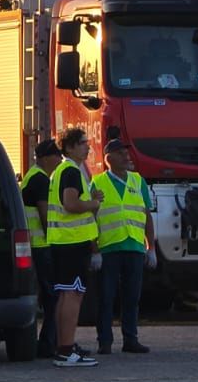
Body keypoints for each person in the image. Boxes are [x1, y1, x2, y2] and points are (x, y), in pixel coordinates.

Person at [47, 126, 105, 367]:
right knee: (73, 295)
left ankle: (64, 347)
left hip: (65, 242)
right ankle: (66, 349)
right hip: (71, 242)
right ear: (69, 147)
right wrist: (93, 203)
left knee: (66, 293)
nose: (87, 146)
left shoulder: (67, 171)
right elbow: (70, 203)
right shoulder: (70, 171)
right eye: (82, 142)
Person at [92, 139, 153, 355]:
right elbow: (91, 218)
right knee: (106, 297)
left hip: (134, 247)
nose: (127, 156)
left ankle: (130, 339)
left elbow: (146, 215)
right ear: (108, 158)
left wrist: (150, 247)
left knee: (132, 297)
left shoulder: (138, 182)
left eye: (126, 152)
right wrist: (94, 251)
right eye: (120, 153)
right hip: (109, 248)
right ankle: (105, 341)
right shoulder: (97, 183)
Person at [20, 139, 65, 358]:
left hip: (35, 246)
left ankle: (49, 342)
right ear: (47, 157)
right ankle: (49, 344)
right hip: (42, 246)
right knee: (53, 297)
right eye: (58, 155)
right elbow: (46, 215)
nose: (60, 160)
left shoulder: (33, 177)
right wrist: (56, 240)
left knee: (49, 297)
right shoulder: (40, 181)